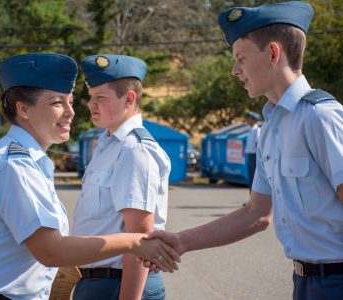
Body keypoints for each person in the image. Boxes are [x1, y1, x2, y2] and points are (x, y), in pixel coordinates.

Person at [0, 53, 180, 300]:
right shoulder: (15, 166)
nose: (71, 112)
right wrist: (133, 242)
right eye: (58, 103)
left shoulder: (26, 163)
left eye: (70, 101)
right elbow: (51, 251)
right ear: (24, 109)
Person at [146, 2, 343, 300]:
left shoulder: (320, 117)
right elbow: (257, 214)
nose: (234, 71)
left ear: (274, 54)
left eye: (240, 58)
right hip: (305, 282)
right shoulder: (270, 130)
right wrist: (181, 241)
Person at [71, 54, 171, 300]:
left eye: (101, 97)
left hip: (119, 285)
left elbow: (139, 237)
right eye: (91, 97)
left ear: (129, 98)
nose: (91, 104)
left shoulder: (134, 150)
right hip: (97, 282)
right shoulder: (108, 144)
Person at [245, 111, 260, 191]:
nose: (247, 120)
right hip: (250, 155)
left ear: (254, 120)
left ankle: (254, 200)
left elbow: (258, 143)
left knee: (254, 178)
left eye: (249, 118)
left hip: (254, 156)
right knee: (250, 178)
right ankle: (251, 199)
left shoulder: (256, 130)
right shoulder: (250, 130)